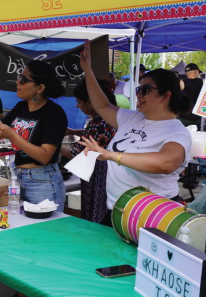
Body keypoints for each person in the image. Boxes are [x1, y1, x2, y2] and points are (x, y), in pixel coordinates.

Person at [78, 40, 192, 227]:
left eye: (145, 90)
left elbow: (165, 163)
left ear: (165, 96)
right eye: (139, 88)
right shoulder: (132, 118)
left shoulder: (177, 132)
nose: (138, 94)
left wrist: (110, 155)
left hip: (153, 218)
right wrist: (88, 71)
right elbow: (101, 105)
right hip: (117, 211)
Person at [0, 60, 68, 212]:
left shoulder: (54, 113)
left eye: (23, 79)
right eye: (19, 77)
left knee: (48, 232)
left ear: (40, 88)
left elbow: (45, 156)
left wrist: (12, 135)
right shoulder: (21, 107)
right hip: (18, 178)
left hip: (43, 181)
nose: (17, 82)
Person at [60, 78, 116, 223]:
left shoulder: (100, 123)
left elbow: (75, 154)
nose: (78, 106)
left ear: (91, 102)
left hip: (99, 176)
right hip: (102, 174)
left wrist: (53, 146)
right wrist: (74, 131)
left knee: (96, 215)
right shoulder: (105, 119)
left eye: (79, 101)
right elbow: (91, 134)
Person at [178, 63, 204, 129]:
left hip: (185, 117)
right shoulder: (203, 82)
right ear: (196, 71)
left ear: (186, 73)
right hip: (200, 118)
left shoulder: (181, 83)